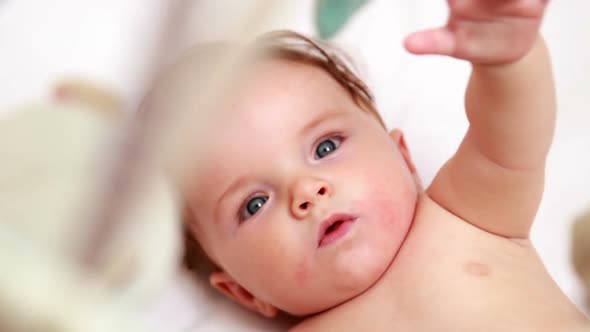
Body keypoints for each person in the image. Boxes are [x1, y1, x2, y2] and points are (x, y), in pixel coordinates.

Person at [145, 1, 590, 330]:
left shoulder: (466, 217)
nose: (306, 191)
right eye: (254, 203)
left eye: (325, 148)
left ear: (404, 156)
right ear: (244, 292)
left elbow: (510, 133)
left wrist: (510, 59)